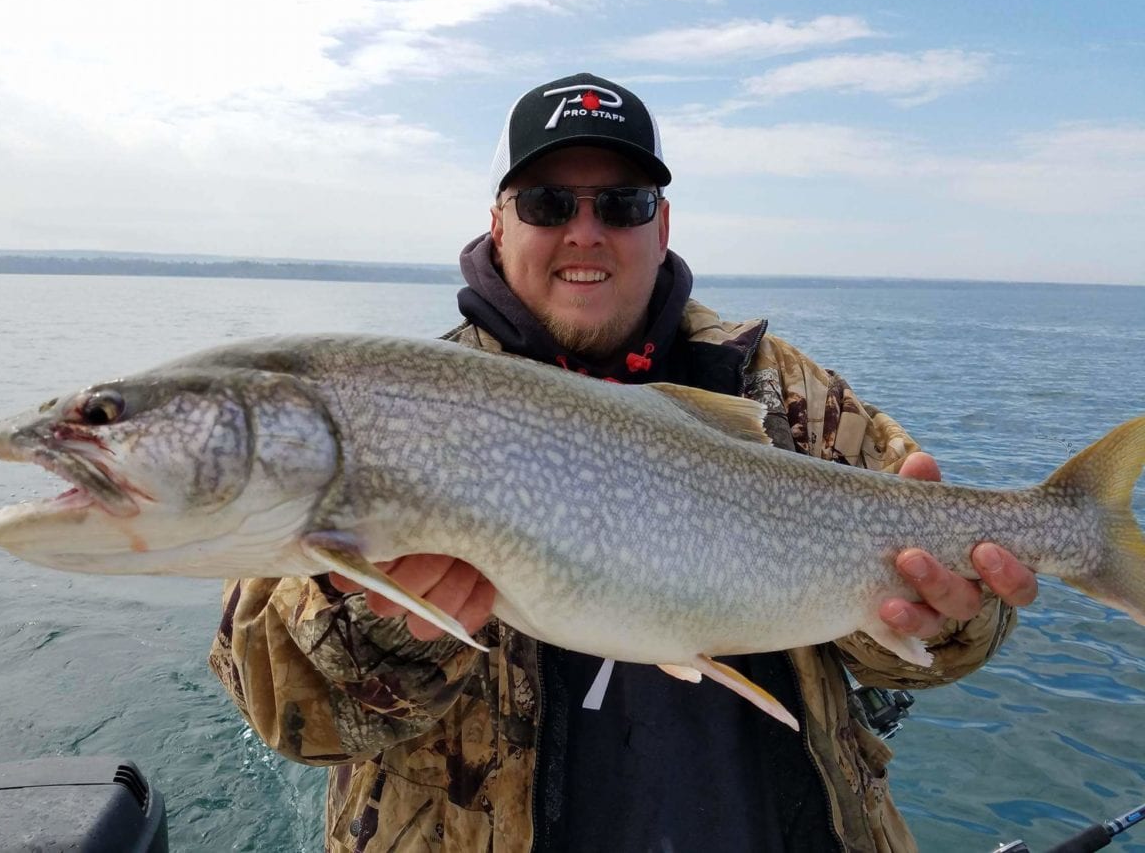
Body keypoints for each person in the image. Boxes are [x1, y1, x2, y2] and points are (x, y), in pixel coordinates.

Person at [209, 72, 1039, 852]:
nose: (585, 231)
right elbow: (283, 711)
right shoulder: (396, 403)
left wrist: (948, 617)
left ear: (663, 224)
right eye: (546, 202)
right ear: (499, 223)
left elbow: (950, 637)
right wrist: (381, 624)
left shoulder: (789, 394)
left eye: (623, 203)